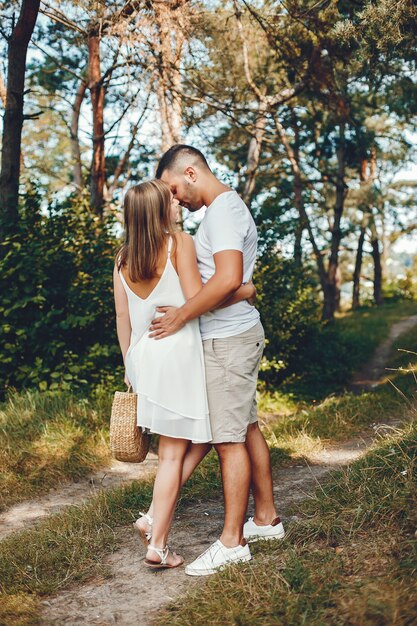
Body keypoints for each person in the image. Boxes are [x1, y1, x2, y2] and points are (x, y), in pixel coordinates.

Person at [148, 145, 285, 577]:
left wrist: (181, 316)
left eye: (174, 188)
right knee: (244, 427)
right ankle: (265, 519)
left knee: (228, 440)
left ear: (191, 172)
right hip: (231, 334)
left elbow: (228, 278)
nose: (174, 200)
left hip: (228, 339)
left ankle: (232, 541)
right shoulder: (220, 212)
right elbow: (237, 283)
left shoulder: (223, 211)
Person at [113, 179, 254, 570]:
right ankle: (157, 543)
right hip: (178, 356)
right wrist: (244, 290)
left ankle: (152, 520)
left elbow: (123, 319)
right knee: (173, 455)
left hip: (144, 360)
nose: (176, 205)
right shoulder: (179, 243)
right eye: (169, 202)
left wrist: (130, 365)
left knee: (202, 437)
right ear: (159, 212)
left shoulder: (123, 258)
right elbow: (198, 300)